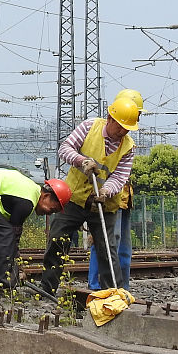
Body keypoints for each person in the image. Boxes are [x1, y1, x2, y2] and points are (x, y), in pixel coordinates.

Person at [34, 96, 139, 297]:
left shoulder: (128, 147)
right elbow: (65, 149)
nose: (123, 132)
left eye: (127, 128)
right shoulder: (89, 126)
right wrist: (81, 161)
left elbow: (120, 176)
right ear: (110, 119)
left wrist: (106, 190)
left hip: (104, 203)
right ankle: (47, 288)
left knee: (107, 249)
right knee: (58, 238)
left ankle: (112, 294)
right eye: (120, 127)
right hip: (74, 197)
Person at [0, 169, 72, 290]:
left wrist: (17, 265)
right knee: (5, 236)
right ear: (46, 196)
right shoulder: (27, 202)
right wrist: (17, 270)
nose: (49, 214)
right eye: (52, 210)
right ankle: (6, 286)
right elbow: (12, 238)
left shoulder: (29, 191)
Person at [87, 89, 145, 290]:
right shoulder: (101, 133)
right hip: (108, 197)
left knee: (123, 247)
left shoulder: (127, 143)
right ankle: (98, 286)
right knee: (107, 241)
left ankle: (122, 287)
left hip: (123, 195)